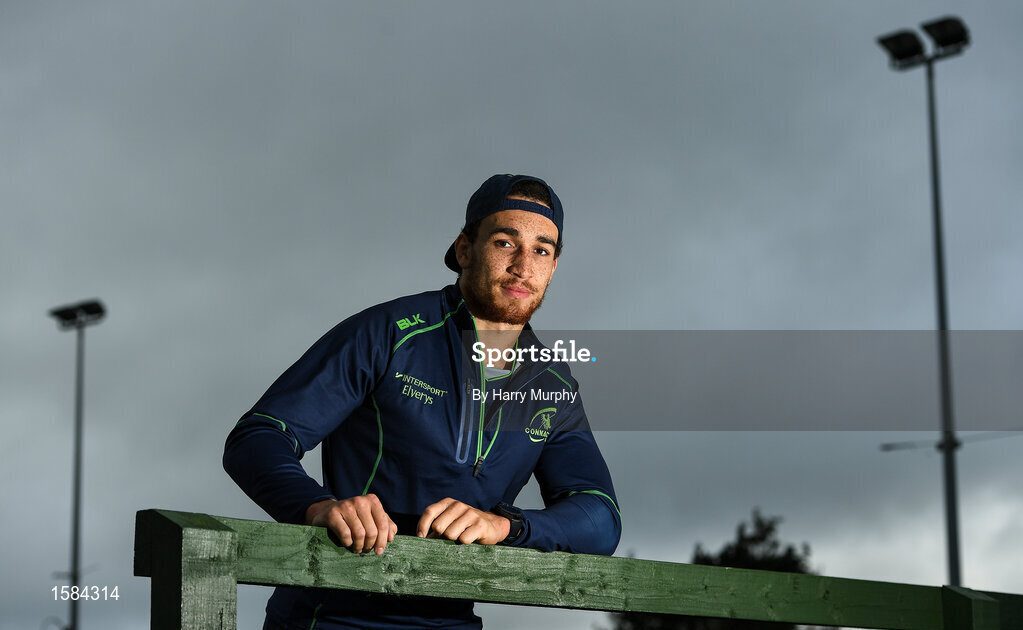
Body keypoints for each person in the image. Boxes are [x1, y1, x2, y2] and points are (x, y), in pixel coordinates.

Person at [223, 173, 621, 629]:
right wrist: (319, 506)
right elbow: (258, 437)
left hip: (450, 621)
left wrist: (506, 527)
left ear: (554, 266)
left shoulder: (553, 385)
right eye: (505, 242)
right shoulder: (390, 334)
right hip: (333, 615)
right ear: (466, 250)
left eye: (542, 250)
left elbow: (599, 513)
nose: (523, 266)